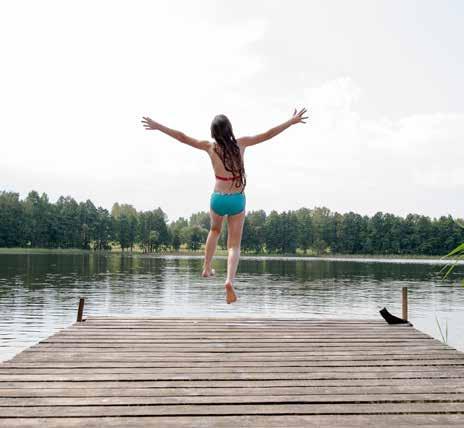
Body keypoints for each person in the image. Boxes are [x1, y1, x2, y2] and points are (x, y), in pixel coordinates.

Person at [141, 107, 308, 304]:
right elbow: (268, 134)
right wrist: (291, 121)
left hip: (218, 198)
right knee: (233, 246)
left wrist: (158, 126)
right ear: (230, 129)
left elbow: (181, 137)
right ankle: (229, 280)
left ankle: (206, 267)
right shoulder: (241, 144)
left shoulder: (209, 147)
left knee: (214, 230)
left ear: (213, 133)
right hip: (236, 198)